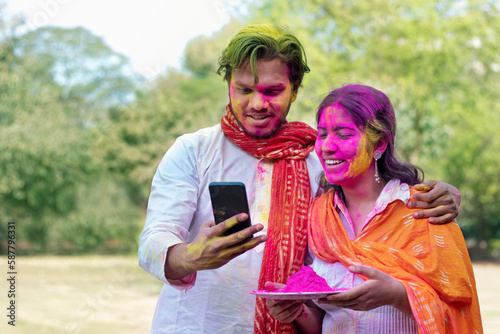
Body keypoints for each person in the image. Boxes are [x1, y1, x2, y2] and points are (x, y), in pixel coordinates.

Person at [138, 24, 462, 334]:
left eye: (273, 90)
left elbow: (374, 197)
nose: (257, 103)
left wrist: (444, 192)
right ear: (228, 86)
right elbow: (152, 243)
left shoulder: (319, 160)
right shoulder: (194, 151)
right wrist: (191, 256)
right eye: (244, 89)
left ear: (295, 91)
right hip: (196, 326)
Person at [266, 84, 482, 333]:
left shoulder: (423, 210)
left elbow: (457, 313)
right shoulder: (320, 217)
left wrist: (398, 296)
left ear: (379, 145)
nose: (326, 147)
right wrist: (297, 311)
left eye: (344, 135)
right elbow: (323, 321)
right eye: (323, 134)